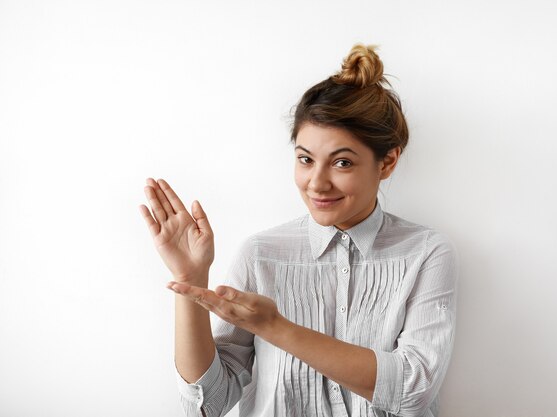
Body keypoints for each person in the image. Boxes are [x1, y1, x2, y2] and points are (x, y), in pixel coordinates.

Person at [139, 43, 459, 417]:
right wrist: (190, 280)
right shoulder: (260, 254)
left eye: (341, 162)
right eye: (305, 159)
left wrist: (275, 328)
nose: (317, 184)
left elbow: (412, 389)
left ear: (387, 162)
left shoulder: (425, 253)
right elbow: (207, 404)